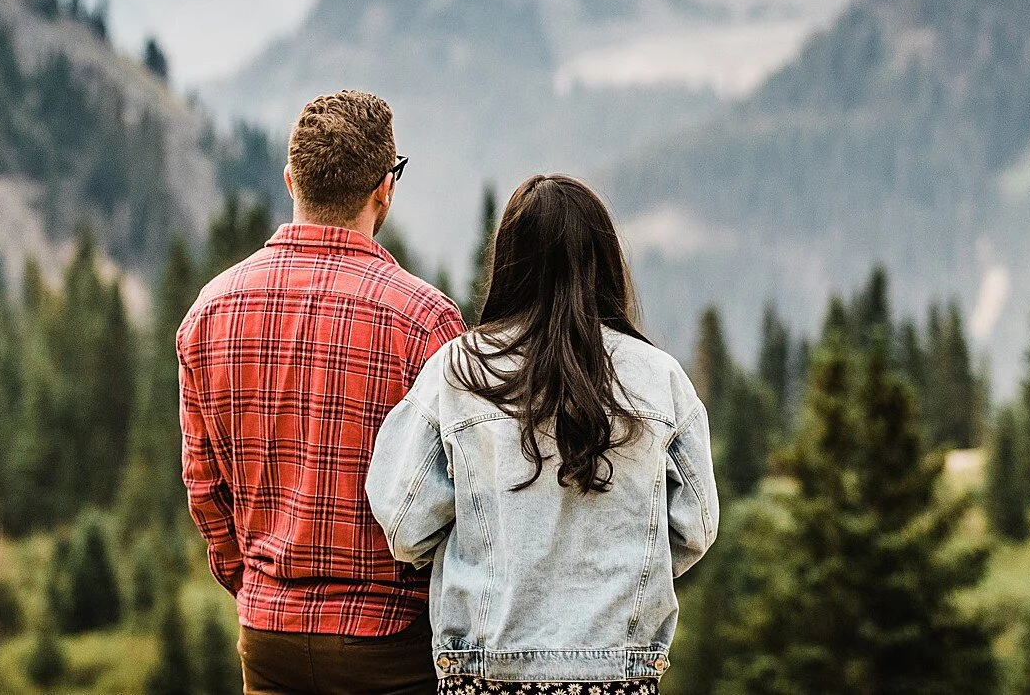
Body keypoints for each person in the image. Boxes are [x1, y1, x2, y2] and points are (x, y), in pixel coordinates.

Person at [366, 174, 718, 693]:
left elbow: (403, 522)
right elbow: (696, 526)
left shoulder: (458, 373)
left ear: (509, 263)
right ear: (606, 262)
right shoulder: (661, 381)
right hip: (619, 675)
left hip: (484, 674)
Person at [178, 90, 465, 695]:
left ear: (290, 180)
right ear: (385, 187)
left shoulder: (210, 312)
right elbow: (459, 499)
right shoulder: (426, 322)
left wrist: (258, 587)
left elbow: (205, 491)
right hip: (389, 642)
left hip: (268, 639)